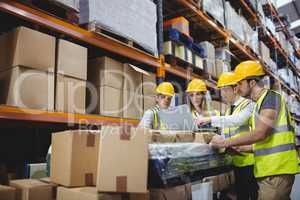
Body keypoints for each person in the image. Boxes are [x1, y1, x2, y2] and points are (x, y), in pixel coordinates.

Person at [210, 60, 299, 200]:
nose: (237, 88)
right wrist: (241, 148)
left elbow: (260, 133)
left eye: (239, 84)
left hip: (277, 169)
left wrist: (225, 143)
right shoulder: (259, 104)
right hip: (269, 170)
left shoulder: (271, 98)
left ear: (251, 83)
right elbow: (267, 142)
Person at [200, 72, 258, 200]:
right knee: (241, 196)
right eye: (221, 91)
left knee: (253, 195)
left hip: (249, 161)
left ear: (235, 89)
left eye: (226, 90)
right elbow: (227, 131)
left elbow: (236, 120)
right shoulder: (228, 109)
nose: (223, 94)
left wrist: (210, 119)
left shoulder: (249, 105)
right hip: (235, 161)